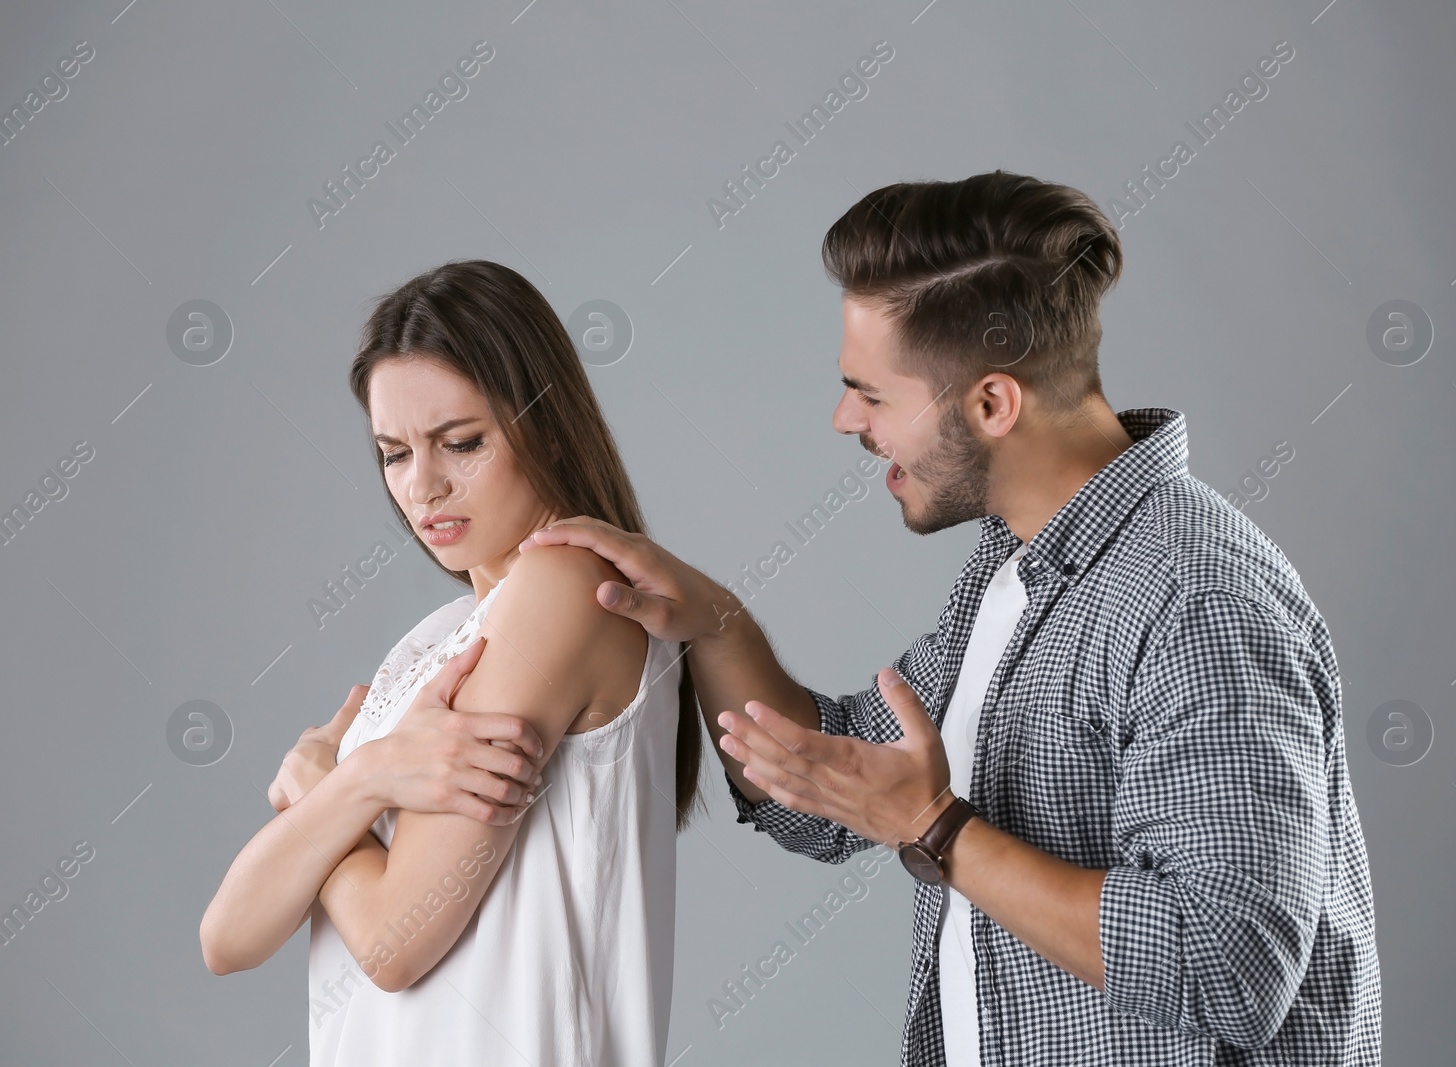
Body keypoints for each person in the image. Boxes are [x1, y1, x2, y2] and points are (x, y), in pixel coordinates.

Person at [519, 172, 1382, 1064]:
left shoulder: (1197, 599)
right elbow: (846, 788)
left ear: (992, 403)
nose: (844, 419)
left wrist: (938, 831)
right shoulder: (1019, 562)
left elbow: (1227, 967)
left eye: (873, 394)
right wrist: (714, 624)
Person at [199, 259, 704, 1067]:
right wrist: (359, 784)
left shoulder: (566, 586)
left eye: (460, 443)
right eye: (393, 453)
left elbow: (394, 941)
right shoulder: (437, 636)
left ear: (546, 422)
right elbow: (226, 936)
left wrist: (324, 790)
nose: (423, 486)